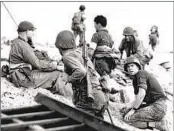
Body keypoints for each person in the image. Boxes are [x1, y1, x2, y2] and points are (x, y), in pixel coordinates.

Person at [55, 30, 109, 118]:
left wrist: (69, 79)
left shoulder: (67, 56)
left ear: (59, 46)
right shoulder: (81, 54)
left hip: (89, 99)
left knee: (73, 123)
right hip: (100, 97)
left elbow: (81, 71)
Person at [9, 21, 71, 96]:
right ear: (27, 31)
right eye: (32, 31)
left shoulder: (17, 42)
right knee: (58, 74)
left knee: (51, 72)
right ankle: (69, 99)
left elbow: (34, 56)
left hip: (19, 75)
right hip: (23, 79)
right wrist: (55, 66)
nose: (33, 33)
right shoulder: (23, 45)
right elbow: (38, 63)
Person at [120, 56, 168, 131]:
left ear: (138, 67)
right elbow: (137, 99)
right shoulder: (135, 80)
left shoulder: (141, 73)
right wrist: (128, 106)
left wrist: (133, 110)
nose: (130, 68)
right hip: (152, 105)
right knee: (125, 113)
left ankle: (158, 124)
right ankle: (154, 121)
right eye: (128, 66)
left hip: (158, 107)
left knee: (129, 119)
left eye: (132, 65)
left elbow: (142, 94)